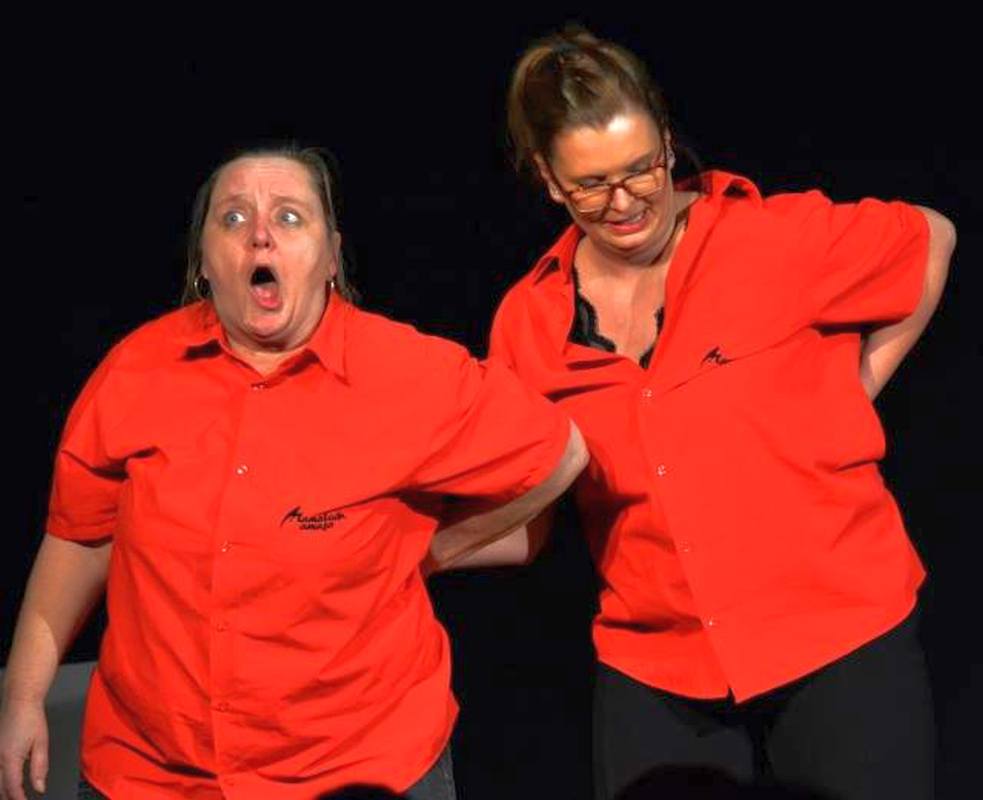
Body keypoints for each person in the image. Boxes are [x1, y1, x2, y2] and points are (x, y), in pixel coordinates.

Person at [0, 144, 587, 800]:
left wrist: (434, 548)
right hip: (151, 774)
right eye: (232, 218)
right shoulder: (135, 371)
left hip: (355, 772)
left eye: (288, 217)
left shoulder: (407, 372)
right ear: (203, 263)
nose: (259, 234)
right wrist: (22, 694)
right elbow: (81, 536)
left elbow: (560, 454)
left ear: (331, 257)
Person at [488, 27, 956, 800]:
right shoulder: (528, 324)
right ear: (547, 179)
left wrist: (853, 387)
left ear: (668, 144)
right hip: (658, 661)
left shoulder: (767, 240)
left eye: (641, 168)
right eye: (591, 184)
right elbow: (530, 509)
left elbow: (930, 237)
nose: (624, 201)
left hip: (835, 630)